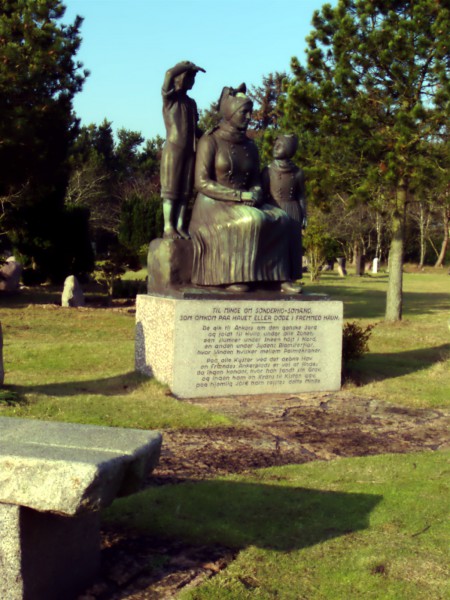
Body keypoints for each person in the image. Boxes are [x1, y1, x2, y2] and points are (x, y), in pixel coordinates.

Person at [189, 84, 299, 292]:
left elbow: (255, 180)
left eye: (250, 112)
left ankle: (277, 278)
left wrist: (256, 192)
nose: (249, 116)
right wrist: (238, 195)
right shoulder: (210, 140)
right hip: (214, 203)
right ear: (230, 112)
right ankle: (234, 276)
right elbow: (201, 182)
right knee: (252, 219)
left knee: (282, 219)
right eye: (244, 112)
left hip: (245, 199)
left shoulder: (250, 146)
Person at [160, 60, 205, 239]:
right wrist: (185, 66)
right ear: (181, 79)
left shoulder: (191, 103)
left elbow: (196, 129)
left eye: (193, 78)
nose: (192, 82)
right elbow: (168, 74)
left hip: (189, 151)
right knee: (171, 190)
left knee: (185, 191)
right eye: (190, 77)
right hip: (173, 150)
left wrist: (211, 135)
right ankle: (168, 226)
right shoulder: (170, 99)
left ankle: (180, 225)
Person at [261, 134, 307, 281]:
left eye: (280, 145)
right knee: (274, 246)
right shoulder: (267, 171)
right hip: (274, 209)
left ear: (289, 149)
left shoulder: (297, 172)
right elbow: (261, 193)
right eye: (275, 145)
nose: (275, 148)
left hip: (293, 211)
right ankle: (269, 278)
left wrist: (304, 215)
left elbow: (301, 195)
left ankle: (289, 278)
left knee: (290, 246)